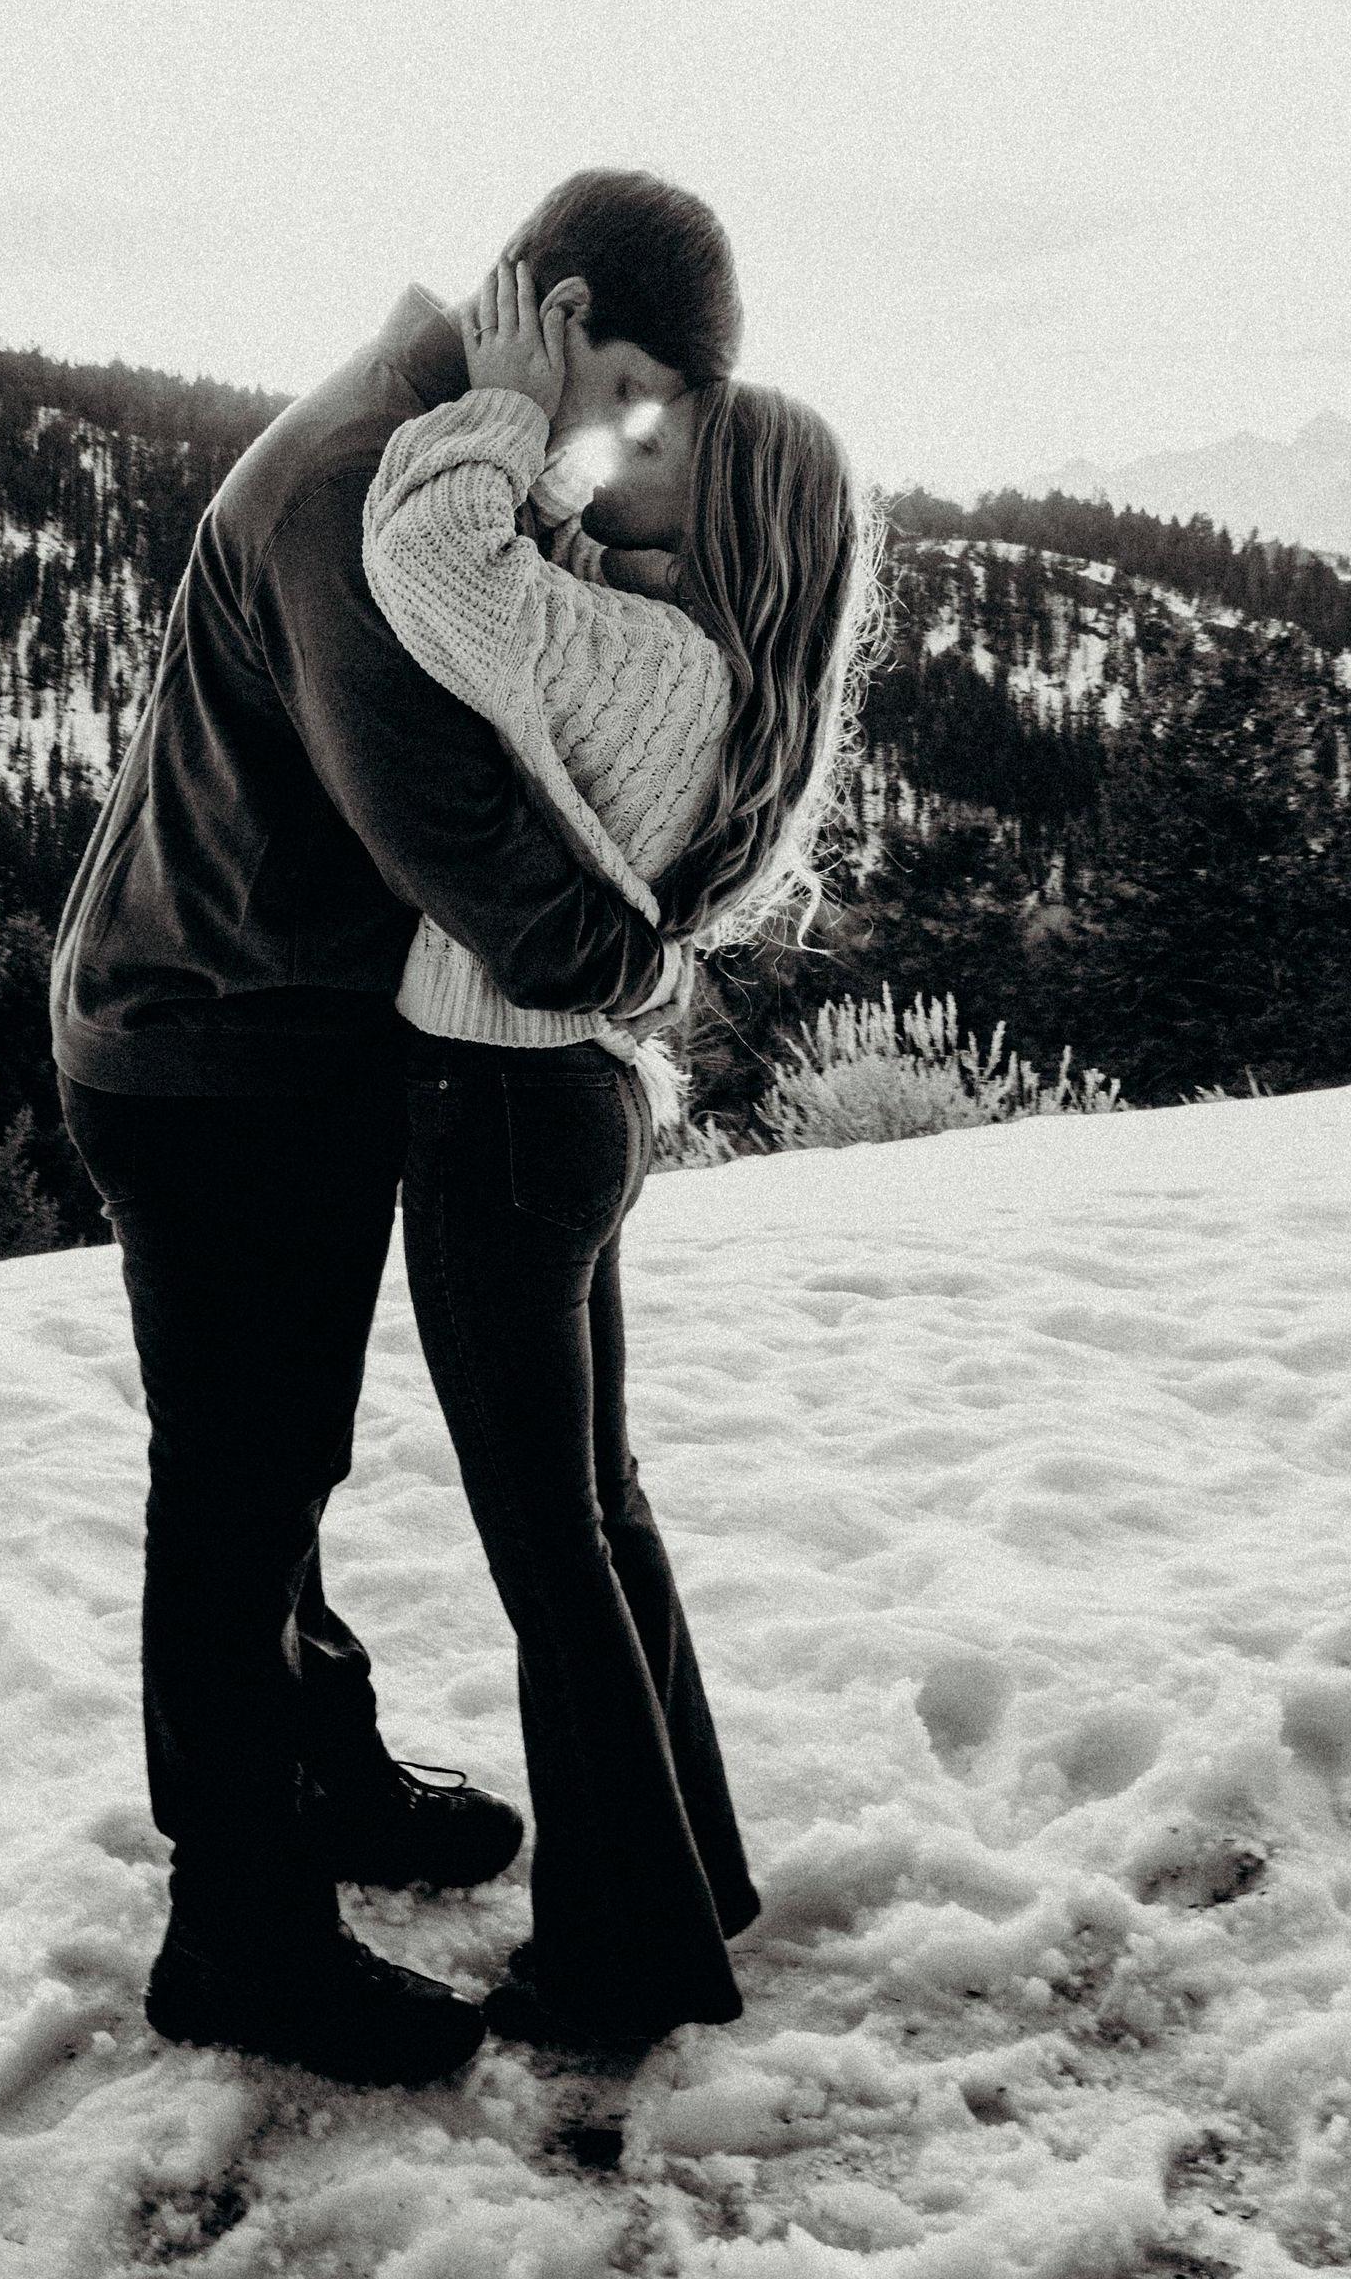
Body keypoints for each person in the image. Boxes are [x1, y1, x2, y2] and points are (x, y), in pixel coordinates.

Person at [51, 171, 746, 2086]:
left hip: (263, 1026)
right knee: (240, 1485)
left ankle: (328, 1777)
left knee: (286, 1457)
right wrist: (641, 956)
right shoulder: (369, 484)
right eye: (631, 394)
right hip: (212, 1046)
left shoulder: (438, 448)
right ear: (562, 314)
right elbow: (463, 842)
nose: (627, 448)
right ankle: (240, 1934)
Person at [364, 259, 872, 2054]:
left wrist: (502, 411)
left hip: (499, 1112)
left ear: (733, 516)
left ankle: (627, 1951)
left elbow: (434, 572)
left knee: (551, 1555)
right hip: (563, 1111)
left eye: (667, 445)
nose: (623, 450)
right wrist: (552, 472)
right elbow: (537, 598)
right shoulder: (702, 666)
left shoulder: (651, 666)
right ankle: (687, 1871)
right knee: (602, 1515)